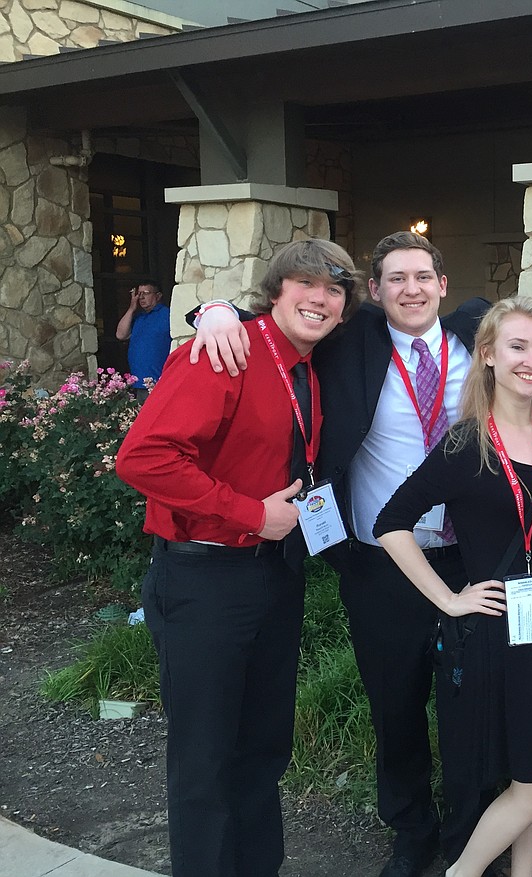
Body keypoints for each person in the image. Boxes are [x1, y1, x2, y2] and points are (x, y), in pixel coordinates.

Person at [188, 232, 493, 877]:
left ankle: (474, 832)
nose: (411, 289)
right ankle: (411, 830)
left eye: (422, 276)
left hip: (473, 557)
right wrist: (209, 310)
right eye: (395, 279)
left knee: (475, 705)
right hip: (381, 560)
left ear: (442, 283)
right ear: (375, 293)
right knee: (396, 701)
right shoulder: (350, 342)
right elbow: (277, 321)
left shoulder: (479, 336)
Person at [116, 239, 358, 877]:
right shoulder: (225, 353)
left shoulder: (310, 363)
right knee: (206, 760)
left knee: (262, 748)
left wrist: (209, 305)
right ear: (277, 291)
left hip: (273, 576)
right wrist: (253, 514)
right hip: (206, 579)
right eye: (306, 283)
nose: (321, 297)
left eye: (334, 290)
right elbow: (142, 457)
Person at [374, 297, 532, 877]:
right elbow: (389, 524)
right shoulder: (465, 444)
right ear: (490, 355)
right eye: (518, 347)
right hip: (498, 633)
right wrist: (449, 598)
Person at [115, 281, 171, 399]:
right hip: (137, 382)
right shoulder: (138, 317)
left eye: (146, 293)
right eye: (139, 294)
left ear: (158, 295)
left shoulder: (168, 315)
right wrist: (131, 309)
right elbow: (121, 335)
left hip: (158, 381)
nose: (141, 297)